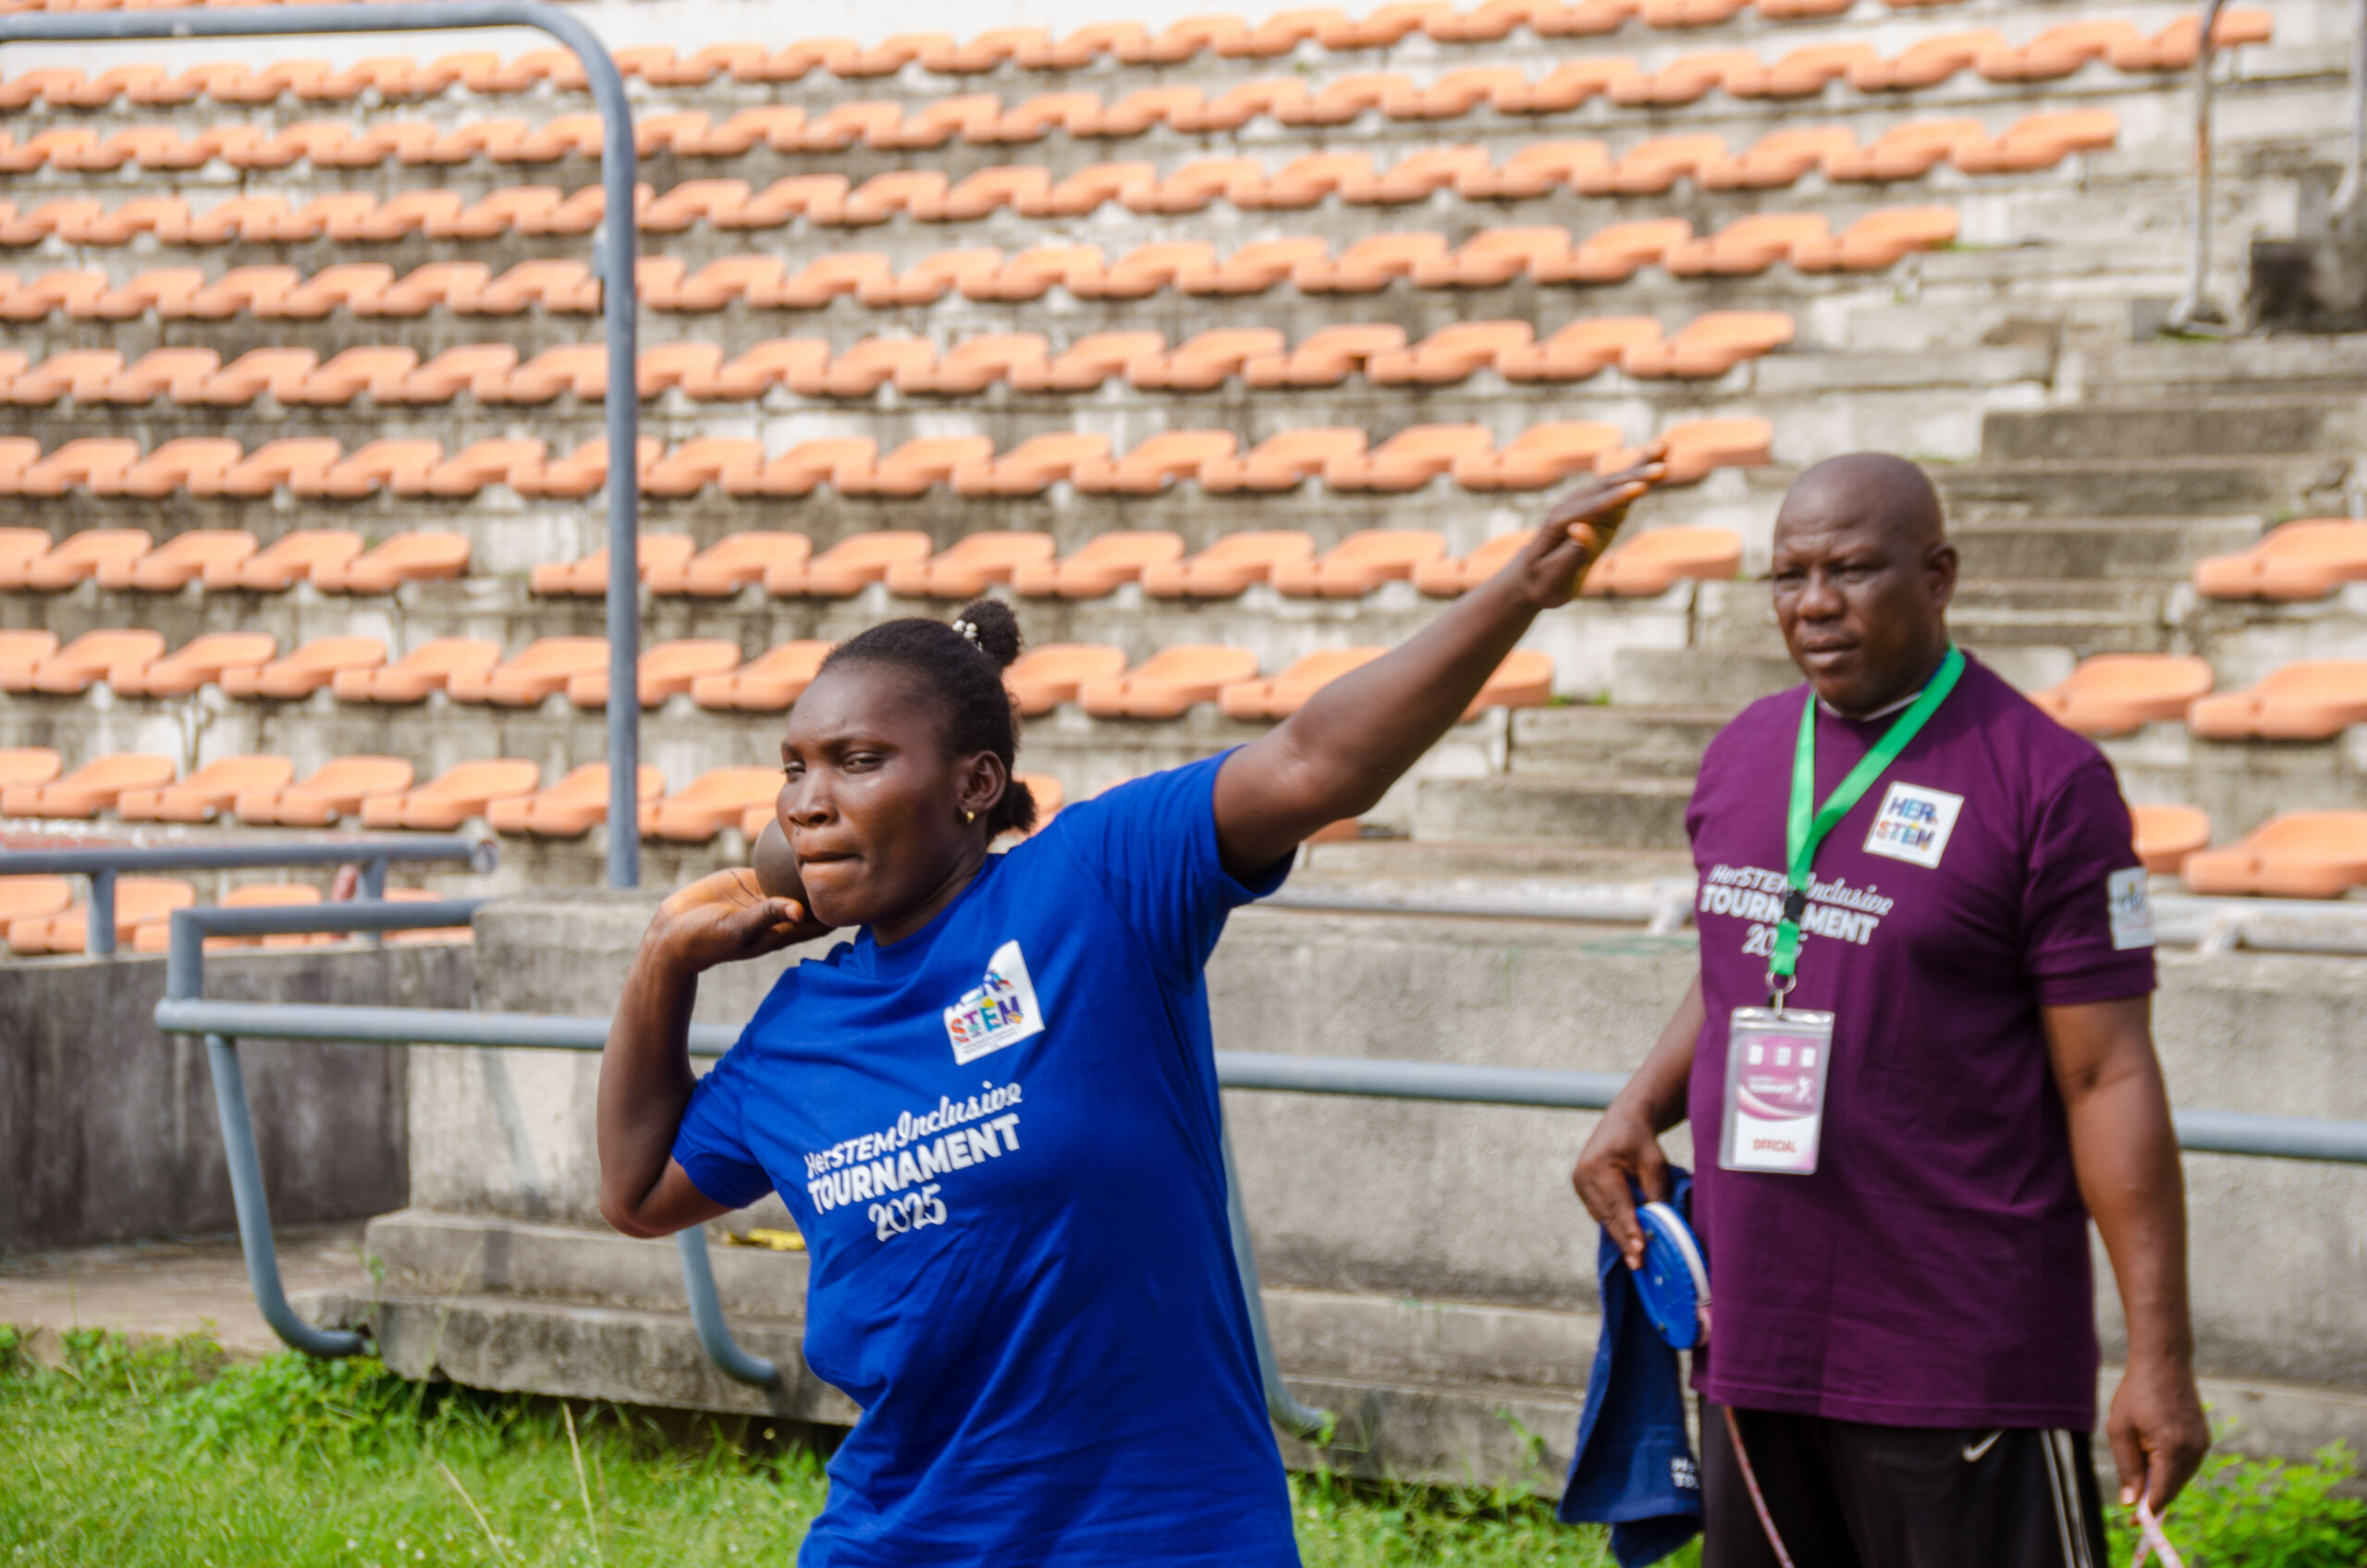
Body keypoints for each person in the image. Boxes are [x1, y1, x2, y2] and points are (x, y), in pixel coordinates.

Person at [595, 454, 1662, 1568]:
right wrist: (663, 961)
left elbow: (1314, 762)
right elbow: (638, 1192)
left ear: (974, 783)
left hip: (1162, 1532)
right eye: (794, 769)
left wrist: (1517, 590)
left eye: (858, 762)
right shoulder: (801, 1026)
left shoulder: (1097, 883)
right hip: (899, 1536)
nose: (809, 803)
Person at [1572, 453, 2211, 1567]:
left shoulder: (2045, 782)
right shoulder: (1745, 752)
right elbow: (1751, 954)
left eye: (1854, 569)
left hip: (1957, 1354)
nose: (1815, 603)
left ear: (1938, 575)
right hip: (1754, 1334)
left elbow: (2105, 1075)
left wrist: (2159, 1354)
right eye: (1790, 575)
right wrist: (1639, 1102)